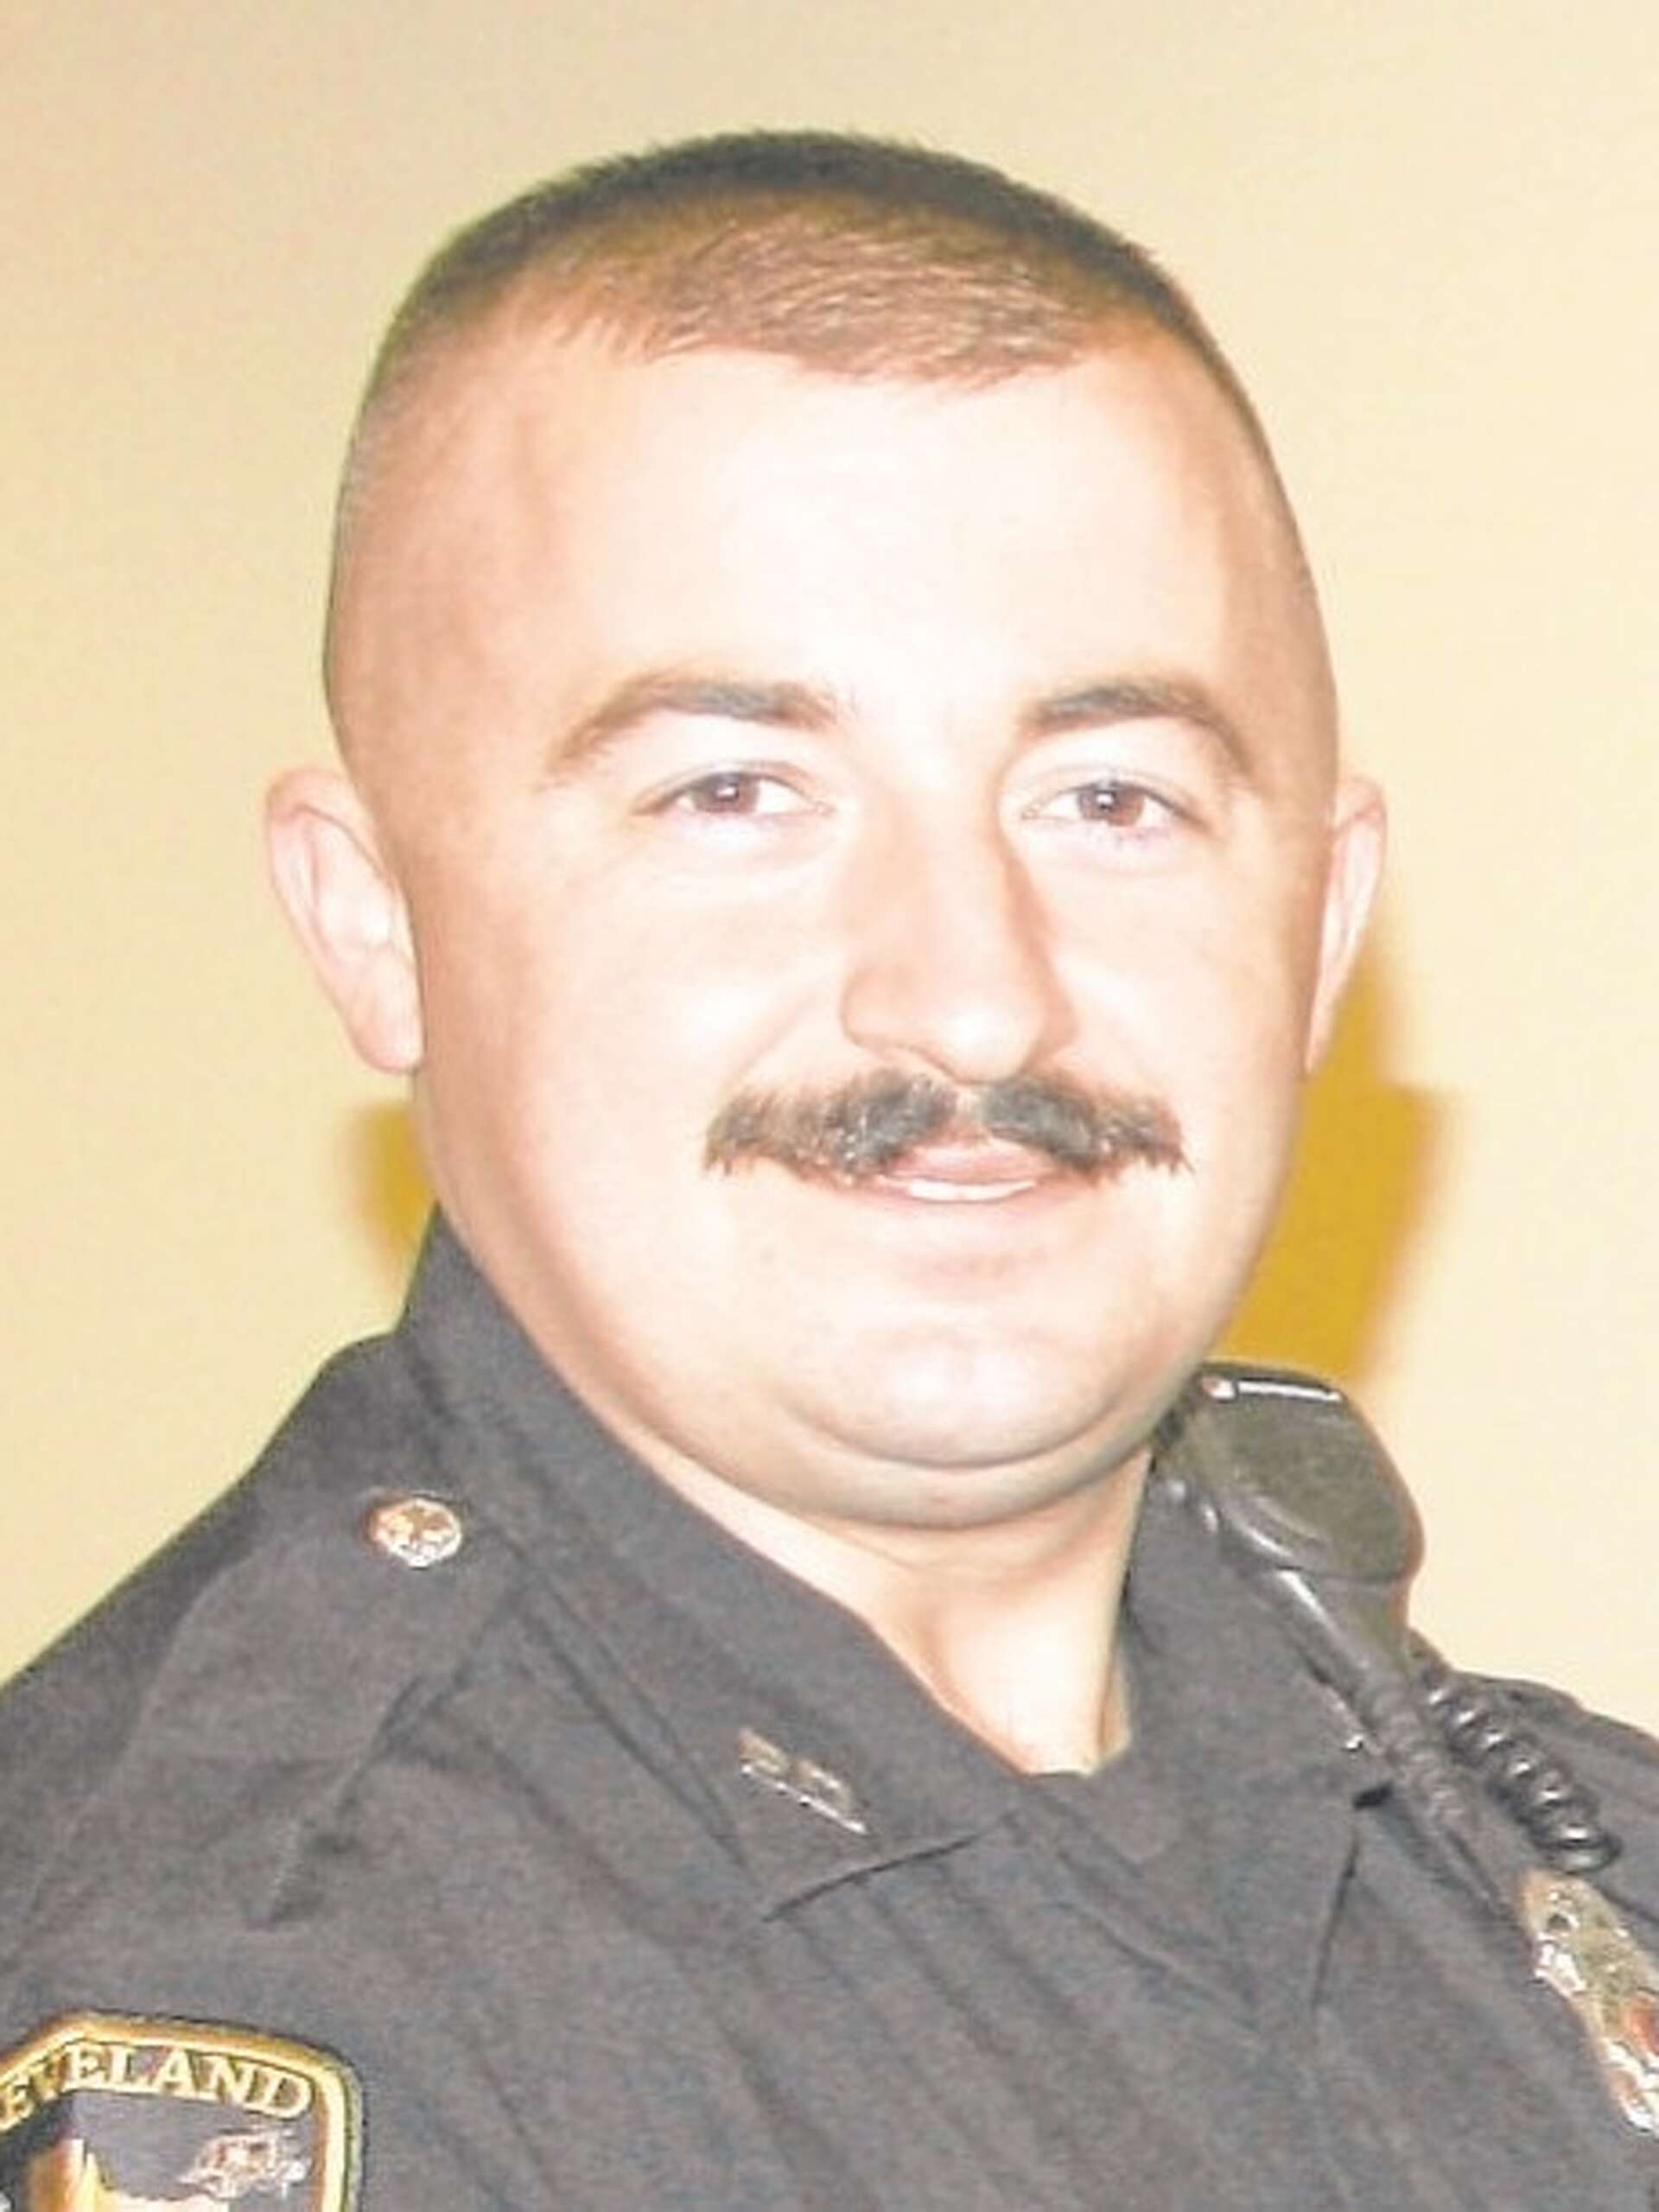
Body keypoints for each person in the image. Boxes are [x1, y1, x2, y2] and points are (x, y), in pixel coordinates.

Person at [3, 132, 1657, 2211]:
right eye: (736, 791)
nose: (972, 1000)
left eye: (1111, 798)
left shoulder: (1557, 1865)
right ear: (372, 923)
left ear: (1321, 930)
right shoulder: (240, 1998)